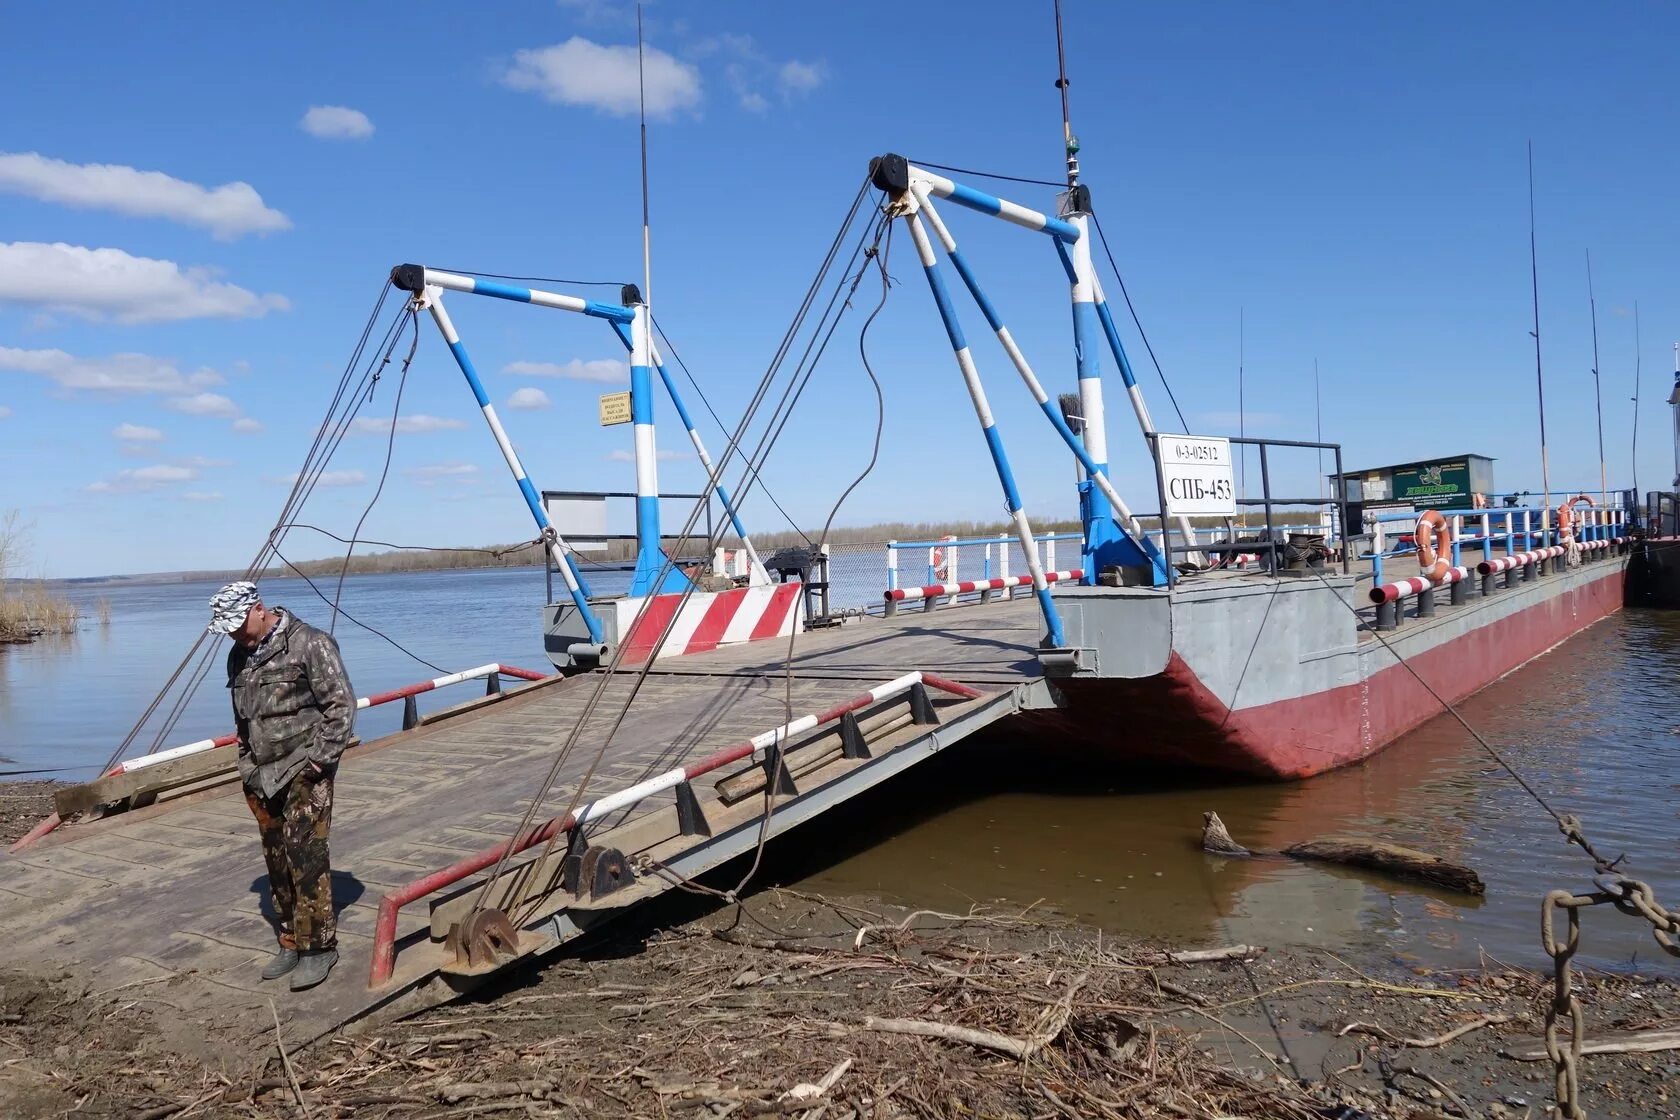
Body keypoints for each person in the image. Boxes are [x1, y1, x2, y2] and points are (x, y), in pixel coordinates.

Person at [208, 581, 354, 991]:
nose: (236, 633)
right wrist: (244, 765)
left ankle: (319, 948)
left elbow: (341, 708)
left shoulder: (310, 644)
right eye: (229, 628)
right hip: (260, 776)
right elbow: (243, 721)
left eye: (239, 623)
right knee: (277, 861)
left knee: (305, 857)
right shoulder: (238, 656)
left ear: (259, 608)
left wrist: (317, 763)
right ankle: (290, 940)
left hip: (304, 771)